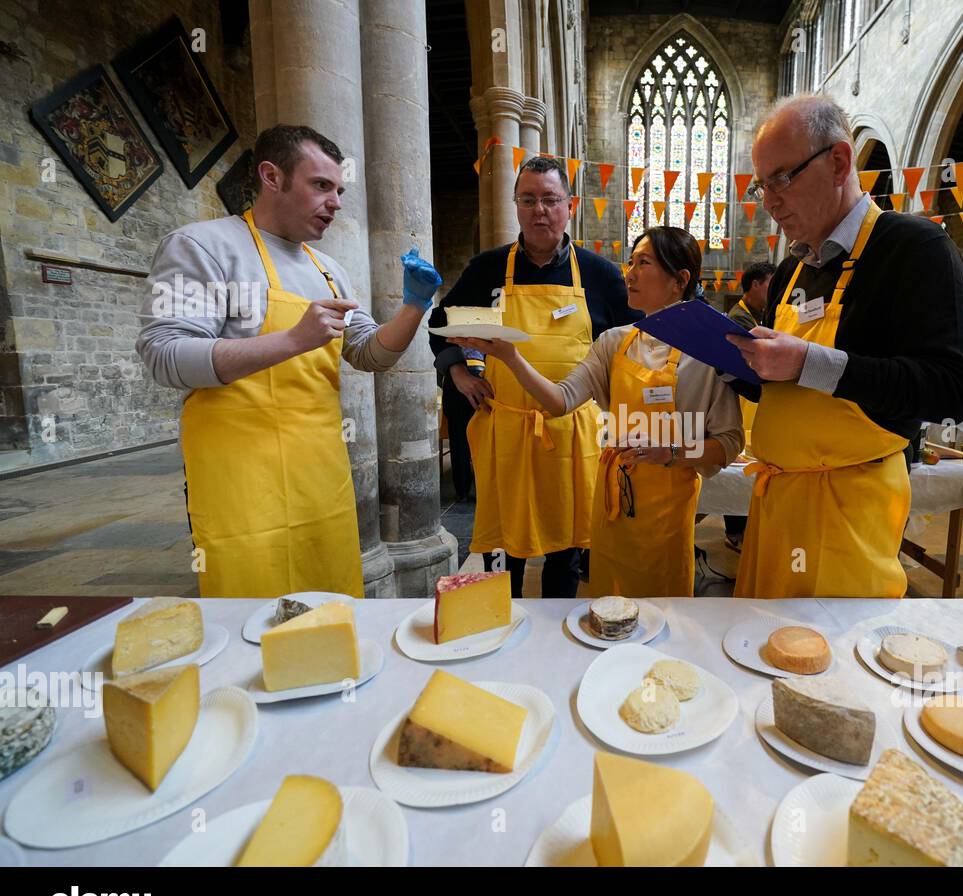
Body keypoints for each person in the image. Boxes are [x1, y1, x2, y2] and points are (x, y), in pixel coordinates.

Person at [137, 125, 441, 598]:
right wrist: (294, 339)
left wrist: (414, 307)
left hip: (319, 474)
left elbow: (368, 353)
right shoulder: (201, 246)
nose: (336, 202)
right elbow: (164, 355)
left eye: (339, 190)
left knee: (329, 604)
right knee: (251, 610)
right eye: (321, 185)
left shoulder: (328, 270)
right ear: (271, 177)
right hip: (239, 479)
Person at [722, 95, 963, 599]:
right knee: (764, 649)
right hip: (777, 500)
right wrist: (733, 365)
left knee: (827, 665)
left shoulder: (916, 247)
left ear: (839, 161)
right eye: (760, 184)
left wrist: (807, 362)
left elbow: (951, 391)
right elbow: (786, 390)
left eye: (781, 178)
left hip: (847, 510)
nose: (768, 201)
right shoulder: (792, 269)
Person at [450, 226, 742, 597]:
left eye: (644, 262)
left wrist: (672, 453)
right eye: (631, 261)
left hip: (666, 512)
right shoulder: (614, 342)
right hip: (610, 502)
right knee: (608, 603)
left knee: (662, 609)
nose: (630, 273)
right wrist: (510, 357)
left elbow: (730, 443)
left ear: (679, 280)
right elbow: (559, 401)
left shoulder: (707, 353)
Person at [427, 156, 640, 599]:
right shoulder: (487, 269)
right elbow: (440, 323)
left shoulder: (599, 275)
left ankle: (552, 647)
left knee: (566, 549)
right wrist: (459, 372)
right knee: (504, 550)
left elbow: (631, 345)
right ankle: (503, 627)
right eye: (528, 200)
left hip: (572, 436)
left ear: (571, 205)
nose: (539, 210)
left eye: (549, 199)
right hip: (506, 433)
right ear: (516, 206)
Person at [722, 260, 775, 551]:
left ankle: (741, 528)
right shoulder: (739, 320)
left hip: (756, 406)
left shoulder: (760, 315)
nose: (773, 289)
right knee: (737, 470)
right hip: (744, 402)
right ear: (755, 284)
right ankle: (736, 530)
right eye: (769, 283)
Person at [727, 261, 775, 330]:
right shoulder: (738, 318)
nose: (775, 290)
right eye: (772, 284)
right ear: (755, 285)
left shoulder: (760, 312)